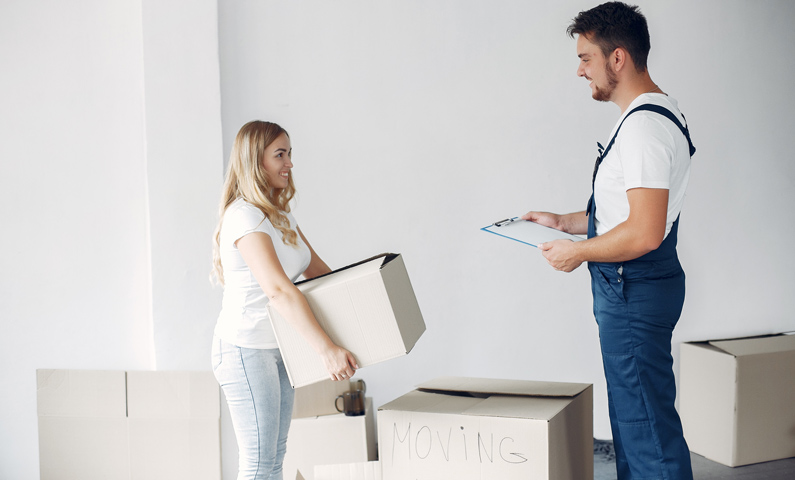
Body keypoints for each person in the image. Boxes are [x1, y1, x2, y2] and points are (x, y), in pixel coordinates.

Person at [523, 3, 695, 479]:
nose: (580, 70)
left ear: (617, 58)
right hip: (636, 286)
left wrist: (577, 253)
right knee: (636, 422)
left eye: (585, 58)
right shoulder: (655, 114)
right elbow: (626, 215)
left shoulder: (643, 129)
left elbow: (643, 231)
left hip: (632, 289)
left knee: (647, 433)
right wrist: (564, 223)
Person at [210, 120, 358, 480]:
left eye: (289, 154)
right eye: (280, 154)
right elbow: (278, 290)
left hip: (279, 349)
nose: (289, 163)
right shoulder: (244, 217)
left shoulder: (278, 213)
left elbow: (318, 271)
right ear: (254, 161)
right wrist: (326, 349)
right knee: (260, 463)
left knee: (274, 457)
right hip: (246, 350)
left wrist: (360, 319)